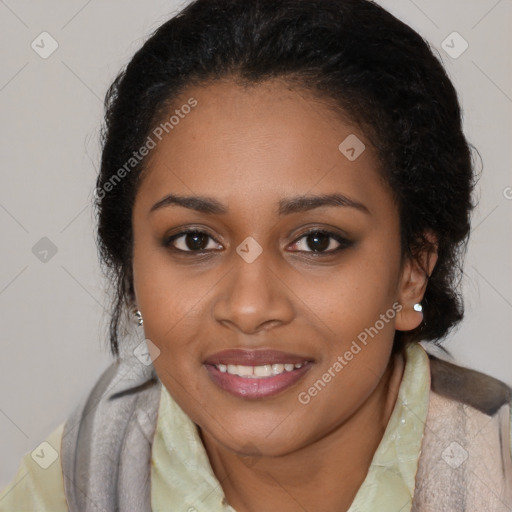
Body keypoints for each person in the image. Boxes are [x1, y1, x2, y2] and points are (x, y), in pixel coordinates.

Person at [1, 0, 511, 510]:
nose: (248, 307)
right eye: (194, 240)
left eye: (317, 241)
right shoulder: (69, 487)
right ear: (132, 269)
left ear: (412, 272)